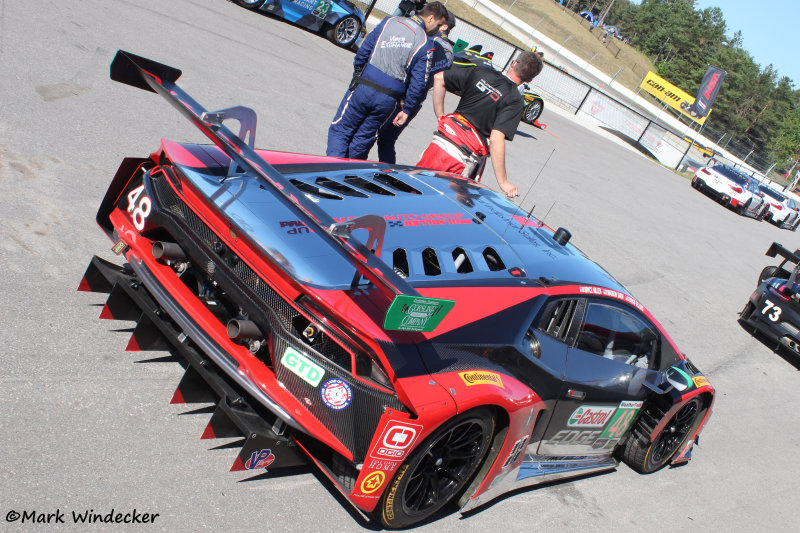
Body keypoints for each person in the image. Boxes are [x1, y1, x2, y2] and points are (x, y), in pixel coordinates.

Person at [326, 4, 448, 160]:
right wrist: (408, 109)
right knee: (362, 140)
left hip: (365, 85)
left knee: (341, 130)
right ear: (430, 18)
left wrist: (359, 75)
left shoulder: (389, 21)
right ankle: (346, 177)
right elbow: (419, 82)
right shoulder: (426, 43)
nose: (438, 30)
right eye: (438, 25)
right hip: (388, 99)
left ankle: (333, 173)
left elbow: (364, 51)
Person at [416, 51, 543, 198]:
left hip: (440, 142)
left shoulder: (481, 71)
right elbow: (496, 138)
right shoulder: (515, 100)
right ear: (531, 79)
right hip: (461, 158)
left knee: (415, 193)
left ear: (513, 63)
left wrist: (441, 117)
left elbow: (439, 78)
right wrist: (503, 182)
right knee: (436, 207)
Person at [376, 11, 456, 164]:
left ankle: (358, 172)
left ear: (443, 26)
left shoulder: (433, 43)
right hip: (414, 100)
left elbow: (417, 72)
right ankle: (386, 178)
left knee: (371, 134)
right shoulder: (449, 50)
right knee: (386, 140)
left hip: (402, 97)